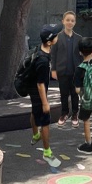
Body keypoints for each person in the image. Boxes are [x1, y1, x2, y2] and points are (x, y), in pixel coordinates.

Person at [31, 25, 62, 167]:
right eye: (55, 36)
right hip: (38, 90)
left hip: (32, 88)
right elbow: (40, 84)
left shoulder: (40, 50)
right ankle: (47, 151)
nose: (58, 37)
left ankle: (35, 134)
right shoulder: (43, 61)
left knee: (34, 111)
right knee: (45, 122)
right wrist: (45, 103)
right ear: (49, 42)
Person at [49, 10, 80, 126]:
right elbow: (53, 55)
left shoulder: (78, 38)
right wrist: (53, 70)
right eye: (67, 20)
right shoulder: (57, 38)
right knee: (64, 94)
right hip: (62, 70)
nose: (70, 22)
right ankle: (64, 113)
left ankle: (75, 113)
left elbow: (81, 56)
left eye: (72, 20)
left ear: (75, 23)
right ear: (63, 21)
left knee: (75, 93)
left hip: (75, 71)